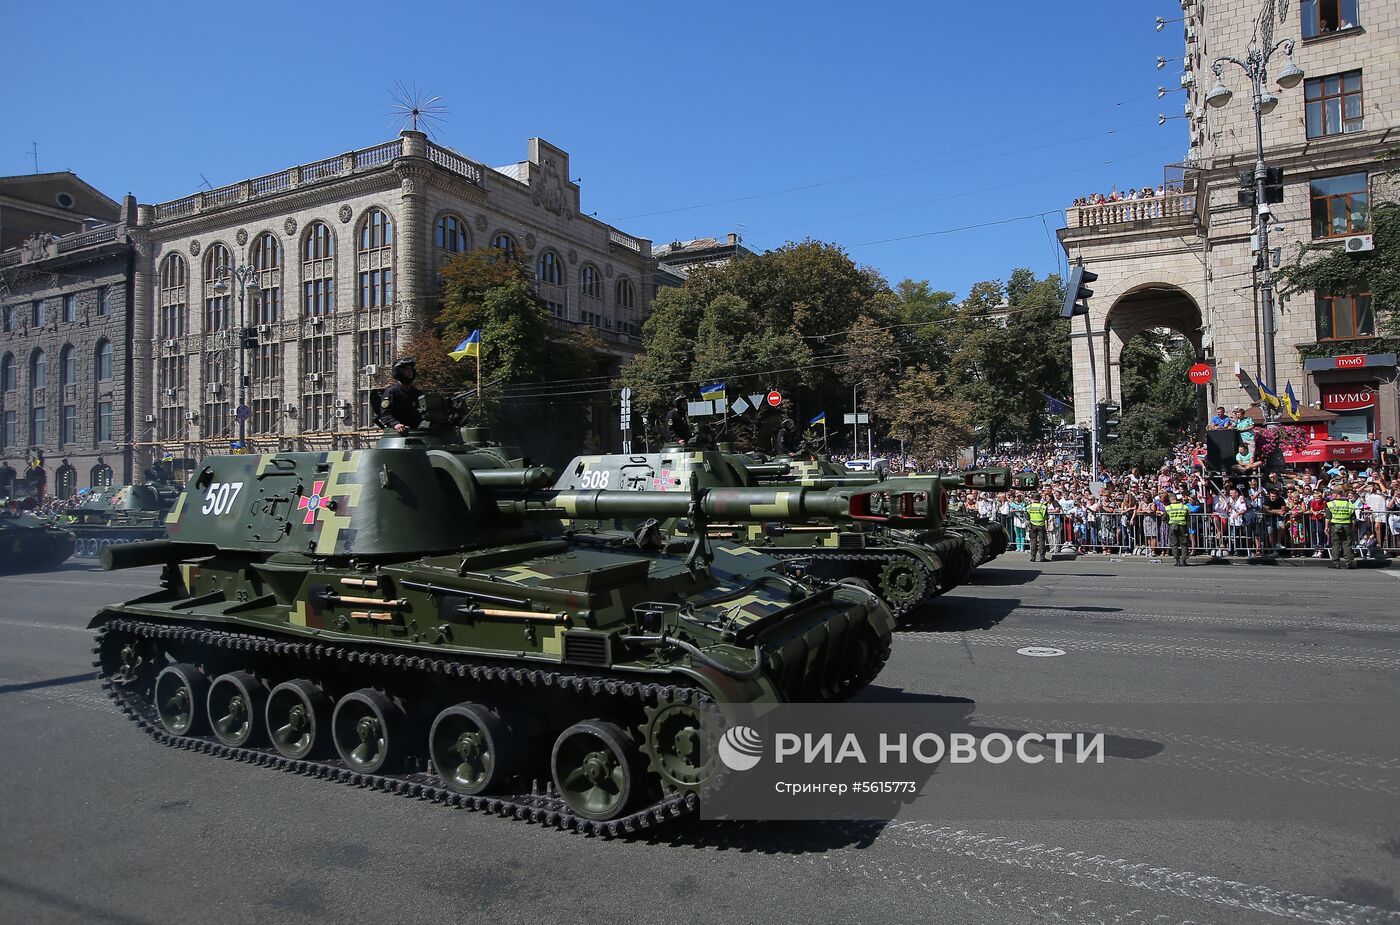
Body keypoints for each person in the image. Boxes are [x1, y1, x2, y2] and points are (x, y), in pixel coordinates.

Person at [378, 357, 423, 433]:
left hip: (418, 431)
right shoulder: (392, 392)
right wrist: (396, 424)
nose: (410, 371)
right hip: (402, 433)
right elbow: (385, 413)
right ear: (399, 371)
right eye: (406, 369)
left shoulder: (416, 392)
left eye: (411, 369)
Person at [1325, 484, 1357, 569]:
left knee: (1335, 544)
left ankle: (1336, 563)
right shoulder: (1350, 505)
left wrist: (1326, 527)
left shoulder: (1330, 504)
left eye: (1332, 494)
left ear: (1336, 494)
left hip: (1335, 525)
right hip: (1347, 525)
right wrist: (1352, 528)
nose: (1332, 495)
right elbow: (1353, 519)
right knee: (1347, 544)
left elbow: (1328, 517)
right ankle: (1349, 562)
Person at [1165, 492, 1191, 565]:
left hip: (1172, 526)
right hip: (1182, 526)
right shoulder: (1184, 507)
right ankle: (1184, 561)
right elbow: (1188, 518)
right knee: (1184, 544)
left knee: (1174, 544)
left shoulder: (1168, 508)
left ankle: (1177, 561)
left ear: (1170, 500)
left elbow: (1164, 518)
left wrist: (1168, 523)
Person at [1026, 493, 1050, 562]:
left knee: (1033, 541)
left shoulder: (1028, 507)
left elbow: (1027, 518)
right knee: (1041, 541)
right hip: (1041, 525)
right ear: (1040, 498)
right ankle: (1042, 557)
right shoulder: (1043, 507)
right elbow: (1046, 518)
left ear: (1033, 499)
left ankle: (1033, 557)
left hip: (1032, 525)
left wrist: (1029, 526)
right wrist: (1047, 528)